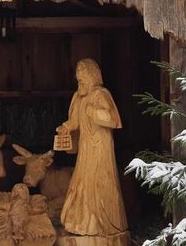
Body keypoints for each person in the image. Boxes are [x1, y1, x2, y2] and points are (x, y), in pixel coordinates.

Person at [56, 59, 127, 236]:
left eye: (82, 75)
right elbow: (75, 121)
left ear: (92, 75)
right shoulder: (78, 97)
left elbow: (112, 119)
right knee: (82, 182)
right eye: (78, 77)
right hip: (86, 148)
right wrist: (66, 127)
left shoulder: (101, 94)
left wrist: (93, 112)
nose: (79, 79)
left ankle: (103, 224)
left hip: (101, 149)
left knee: (100, 182)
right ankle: (80, 223)